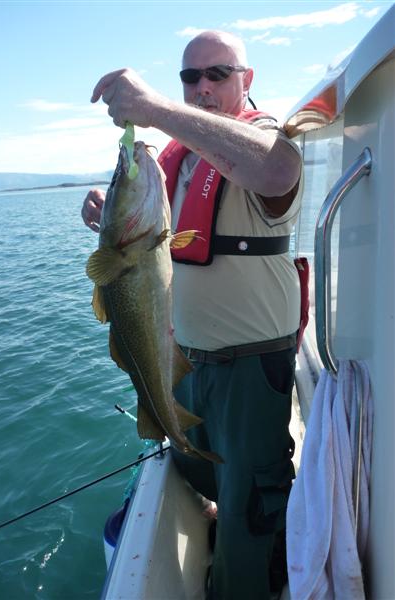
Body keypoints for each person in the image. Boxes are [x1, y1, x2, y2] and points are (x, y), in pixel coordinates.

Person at [82, 30, 303, 600]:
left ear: (246, 80)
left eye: (217, 73)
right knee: (199, 468)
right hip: (186, 358)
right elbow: (153, 243)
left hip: (248, 367)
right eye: (190, 76)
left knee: (248, 505)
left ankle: (247, 577)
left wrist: (156, 108)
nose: (202, 86)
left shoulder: (262, 138)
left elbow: (277, 172)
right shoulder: (178, 162)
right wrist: (110, 216)